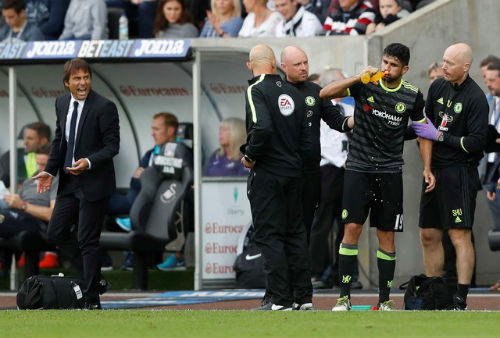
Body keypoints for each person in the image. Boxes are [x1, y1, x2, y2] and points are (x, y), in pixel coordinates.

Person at [320, 43, 434, 311]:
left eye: (393, 65)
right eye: (384, 62)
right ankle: (343, 298)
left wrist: (427, 168)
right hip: (358, 168)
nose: (386, 68)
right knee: (351, 229)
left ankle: (384, 301)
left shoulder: (413, 95)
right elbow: (325, 93)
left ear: (405, 69)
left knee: (387, 236)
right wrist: (359, 77)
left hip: (391, 172)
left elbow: (422, 132)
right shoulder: (366, 85)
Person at [34, 58, 120, 310]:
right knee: (56, 232)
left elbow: (112, 146)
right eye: (77, 79)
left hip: (94, 182)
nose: (83, 83)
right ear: (66, 82)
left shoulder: (105, 106)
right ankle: (96, 280)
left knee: (87, 239)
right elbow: (60, 139)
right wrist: (49, 171)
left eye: (86, 77)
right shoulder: (61, 102)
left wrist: (89, 161)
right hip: (69, 183)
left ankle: (92, 299)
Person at [412, 43, 489, 310]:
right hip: (435, 171)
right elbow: (426, 130)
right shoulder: (437, 87)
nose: (444, 67)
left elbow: (477, 142)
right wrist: (427, 168)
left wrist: (442, 136)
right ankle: (435, 294)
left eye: (450, 63)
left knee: (459, 235)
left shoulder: (476, 98)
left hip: (459, 173)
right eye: (443, 61)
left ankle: (461, 298)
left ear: (465, 67)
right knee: (428, 234)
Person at [241, 44, 312, 310]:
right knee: (295, 233)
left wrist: (250, 156)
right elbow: (303, 135)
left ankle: (280, 298)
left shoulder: (255, 89)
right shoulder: (291, 92)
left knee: (270, 235)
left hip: (268, 171)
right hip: (294, 171)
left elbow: (262, 128)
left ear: (251, 65)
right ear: (275, 63)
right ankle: (303, 297)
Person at [281, 46, 353, 241]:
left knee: (345, 223)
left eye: (306, 63)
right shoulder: (285, 94)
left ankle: (340, 270)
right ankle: (313, 270)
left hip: (334, 171)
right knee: (318, 223)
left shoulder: (332, 100)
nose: (304, 67)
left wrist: (360, 119)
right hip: (317, 170)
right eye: (298, 64)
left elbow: (341, 125)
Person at [108, 112, 179, 270]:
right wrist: (146, 176)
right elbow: (135, 179)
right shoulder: (151, 153)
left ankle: (133, 257)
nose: (152, 133)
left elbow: (170, 179)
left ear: (170, 130)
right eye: (152, 129)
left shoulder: (180, 150)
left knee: (142, 208)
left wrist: (147, 175)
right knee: (96, 200)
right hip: (133, 198)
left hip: (161, 202)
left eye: (157, 129)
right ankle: (101, 261)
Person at [0, 144, 59, 268]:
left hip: (38, 223)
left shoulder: (56, 180)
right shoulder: (29, 181)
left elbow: (52, 215)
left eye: (44, 165)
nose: (40, 169)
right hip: (17, 216)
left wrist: (22, 205)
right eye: (38, 164)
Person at [479, 61, 500, 292]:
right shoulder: (491, 102)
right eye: (486, 79)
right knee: (498, 229)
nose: (488, 84)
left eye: (492, 79)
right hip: (491, 172)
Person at [0, 122, 51, 189]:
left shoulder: (53, 159)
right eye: (25, 138)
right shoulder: (12, 157)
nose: (25, 142)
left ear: (43, 141)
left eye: (30, 138)